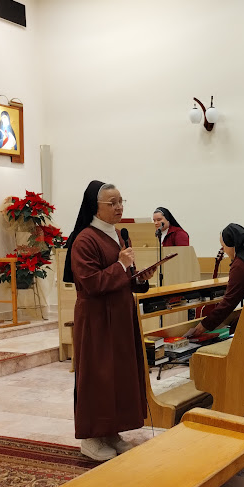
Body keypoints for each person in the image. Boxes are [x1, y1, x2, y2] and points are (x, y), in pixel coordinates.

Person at [64, 180, 155, 461]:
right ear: (96, 207)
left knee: (118, 375)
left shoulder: (117, 234)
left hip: (120, 317)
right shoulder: (84, 240)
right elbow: (90, 283)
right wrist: (121, 265)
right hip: (97, 319)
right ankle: (91, 437)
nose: (119, 207)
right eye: (112, 203)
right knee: (98, 376)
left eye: (120, 201)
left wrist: (139, 279)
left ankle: (112, 431)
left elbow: (124, 276)